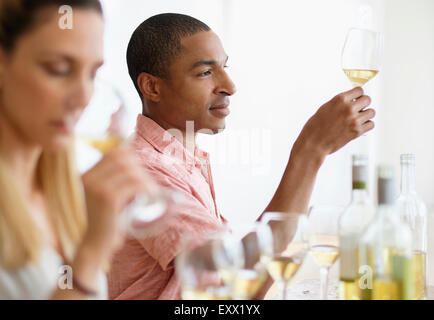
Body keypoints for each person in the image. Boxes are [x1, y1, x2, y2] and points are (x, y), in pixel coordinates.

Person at [107, 13, 375, 300]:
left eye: (224, 66)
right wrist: (310, 151)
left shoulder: (180, 159)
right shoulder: (144, 171)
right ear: (152, 87)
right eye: (205, 72)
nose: (230, 86)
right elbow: (232, 288)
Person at [0, 0, 154, 299]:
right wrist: (91, 254)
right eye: (58, 69)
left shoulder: (67, 195)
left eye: (92, 74)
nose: (84, 97)